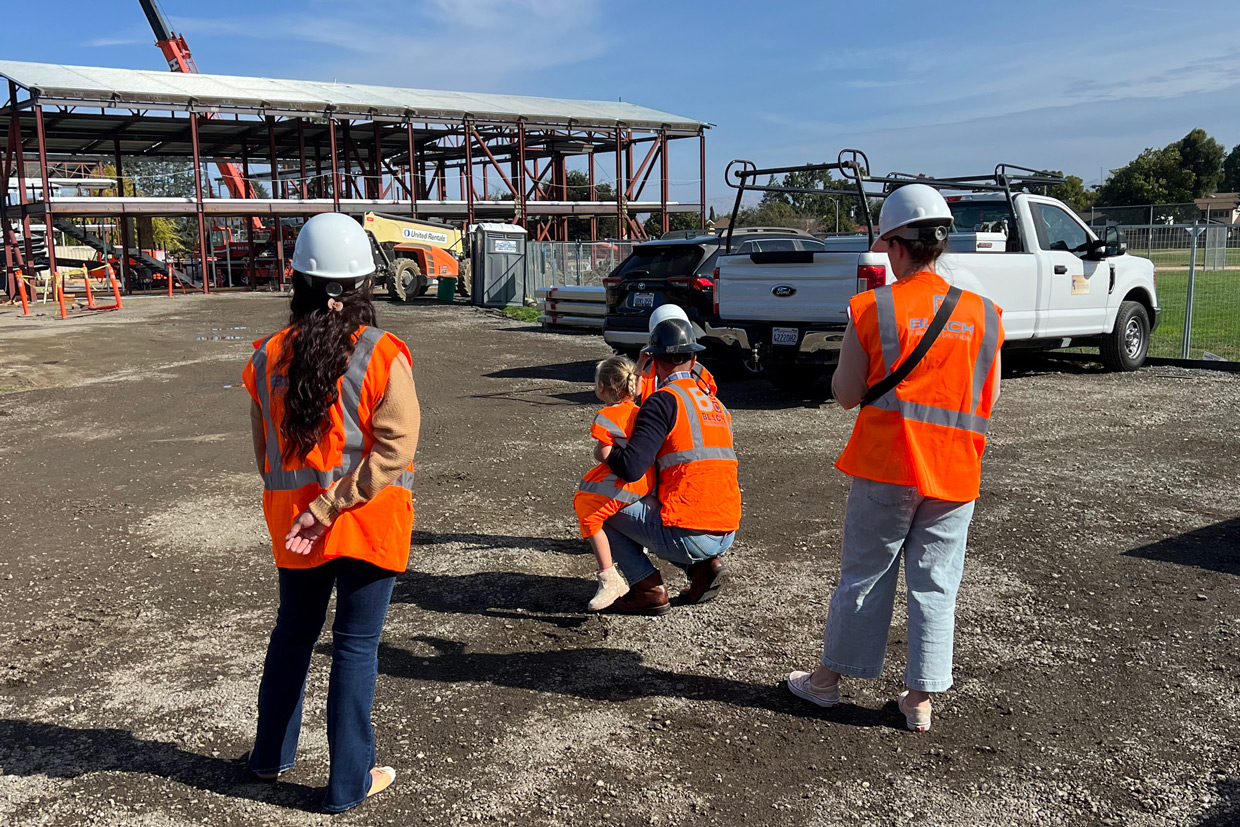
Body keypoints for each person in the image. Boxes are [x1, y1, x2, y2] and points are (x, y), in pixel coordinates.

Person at [785, 184, 1003, 733]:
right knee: (936, 585)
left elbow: (846, 393)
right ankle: (920, 699)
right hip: (956, 469)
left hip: (888, 463)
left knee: (865, 574)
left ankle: (827, 683)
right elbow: (989, 398)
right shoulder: (986, 316)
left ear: (896, 245)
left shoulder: (872, 308)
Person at [241, 212, 421, 811]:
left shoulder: (267, 356)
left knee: (292, 634)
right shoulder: (381, 353)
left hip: (293, 527)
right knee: (354, 646)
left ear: (298, 280)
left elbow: (265, 449)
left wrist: (304, 506)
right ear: (364, 284)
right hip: (366, 524)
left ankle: (270, 757)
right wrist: (334, 504)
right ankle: (348, 783)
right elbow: (395, 447)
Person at [602, 318, 741, 615]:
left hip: (692, 533)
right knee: (665, 501)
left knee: (601, 506)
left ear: (653, 360)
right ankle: (704, 568)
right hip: (726, 528)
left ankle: (648, 588)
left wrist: (605, 452)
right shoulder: (715, 404)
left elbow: (631, 468)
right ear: (693, 358)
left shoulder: (663, 402)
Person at [571, 355, 655, 612]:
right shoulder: (640, 410)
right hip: (648, 478)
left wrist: (599, 454)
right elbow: (638, 384)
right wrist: (639, 366)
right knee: (602, 502)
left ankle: (609, 577)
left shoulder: (607, 416)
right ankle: (632, 550)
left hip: (627, 480)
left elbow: (604, 454)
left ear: (602, 388)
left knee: (587, 510)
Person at [635, 304, 717, 403]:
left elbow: (633, 392)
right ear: (693, 358)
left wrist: (641, 362)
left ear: (655, 359)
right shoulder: (701, 373)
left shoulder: (649, 373)